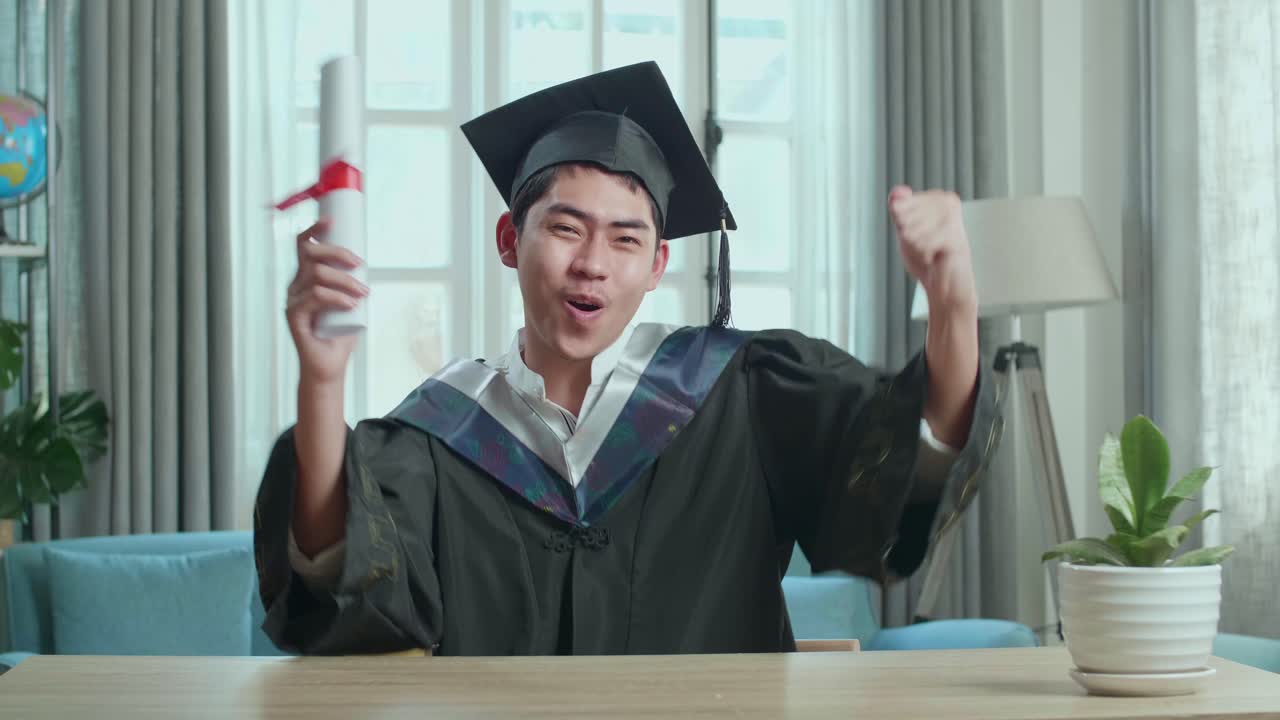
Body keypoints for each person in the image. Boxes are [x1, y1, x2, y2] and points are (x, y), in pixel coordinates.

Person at [254, 62, 999, 656]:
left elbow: (894, 465)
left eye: (626, 239)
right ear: (510, 241)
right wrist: (322, 380)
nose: (593, 264)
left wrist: (953, 309)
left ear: (657, 264)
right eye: (565, 229)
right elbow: (345, 588)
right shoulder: (441, 435)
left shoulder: (742, 394)